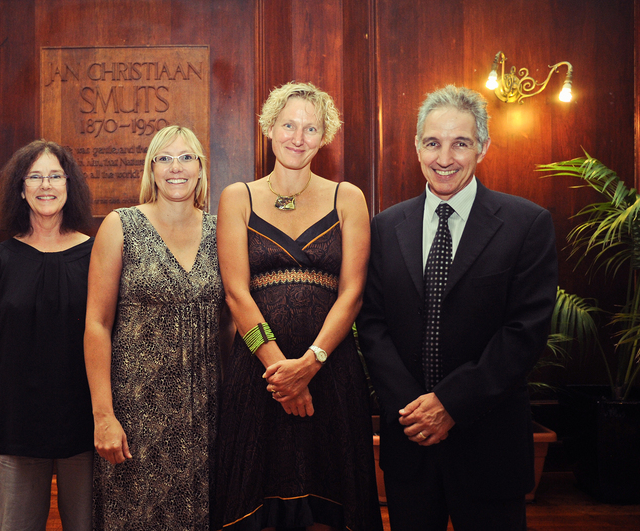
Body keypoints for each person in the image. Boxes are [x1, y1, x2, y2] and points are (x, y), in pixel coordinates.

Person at [357, 85, 558, 530]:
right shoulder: (386, 226)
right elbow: (371, 324)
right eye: (432, 142)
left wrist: (449, 403)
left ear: (482, 147)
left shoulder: (527, 225)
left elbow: (524, 333)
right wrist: (414, 408)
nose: (443, 157)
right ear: (416, 147)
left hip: (489, 444)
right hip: (409, 443)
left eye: (460, 143)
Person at [213, 81, 383, 531]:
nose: (297, 137)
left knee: (331, 503)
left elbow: (352, 294)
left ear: (324, 136)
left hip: (332, 373)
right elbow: (236, 294)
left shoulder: (348, 197)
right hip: (259, 376)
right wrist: (281, 373)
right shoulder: (237, 197)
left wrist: (309, 364)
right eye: (288, 124)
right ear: (269, 127)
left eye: (311, 128)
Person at [84, 125, 224, 530]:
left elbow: (233, 322)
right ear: (151, 169)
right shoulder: (121, 225)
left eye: (185, 157)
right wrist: (103, 415)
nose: (175, 167)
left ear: (200, 168)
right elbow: (97, 324)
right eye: (164, 158)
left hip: (203, 413)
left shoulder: (221, 231)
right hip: (135, 413)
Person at [0, 139, 95, 531]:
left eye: (56, 176)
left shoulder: (98, 255)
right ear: (21, 188)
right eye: (36, 176)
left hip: (86, 424)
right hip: (17, 425)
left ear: (69, 185)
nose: (46, 185)